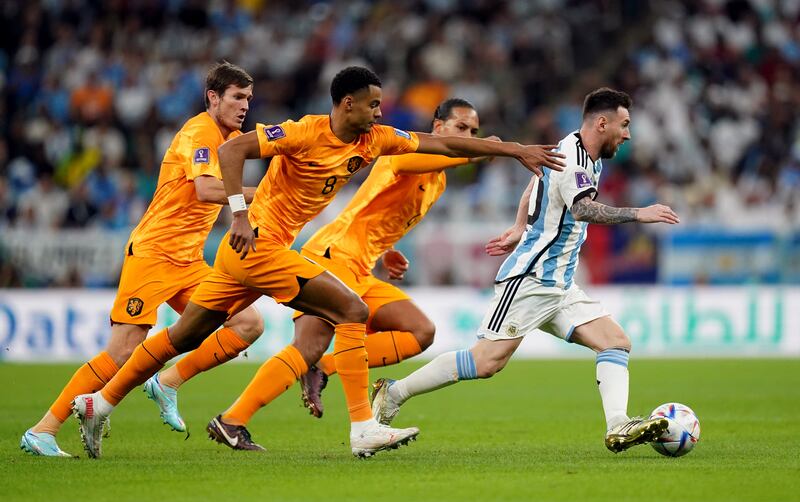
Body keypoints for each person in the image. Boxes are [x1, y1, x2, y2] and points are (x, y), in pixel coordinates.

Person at [71, 66, 566, 459]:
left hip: (250, 256)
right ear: (347, 103)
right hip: (258, 245)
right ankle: (362, 427)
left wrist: (514, 150)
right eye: (372, 104)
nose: (378, 112)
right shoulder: (303, 132)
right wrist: (239, 215)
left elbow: (442, 143)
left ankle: (100, 403)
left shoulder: (373, 141)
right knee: (349, 310)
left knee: (183, 336)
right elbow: (237, 149)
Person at [371, 87, 681, 454]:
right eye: (624, 124)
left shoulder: (580, 151)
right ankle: (393, 392)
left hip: (561, 284)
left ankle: (618, 425)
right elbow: (583, 210)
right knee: (485, 361)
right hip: (531, 279)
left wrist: (520, 225)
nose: (627, 134)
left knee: (615, 342)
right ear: (603, 122)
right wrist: (638, 213)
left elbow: (536, 179)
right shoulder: (575, 158)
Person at [20, 62, 264, 457]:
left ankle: (166, 382)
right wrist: (261, 195)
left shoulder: (230, 137)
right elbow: (204, 189)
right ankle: (43, 430)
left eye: (248, 98)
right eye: (237, 97)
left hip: (187, 261)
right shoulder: (200, 131)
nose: (244, 105)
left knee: (248, 322)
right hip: (154, 254)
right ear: (213, 97)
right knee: (122, 351)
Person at [292, 98, 487, 419]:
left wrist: (386, 249)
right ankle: (234, 417)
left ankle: (324, 368)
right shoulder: (406, 146)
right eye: (462, 128)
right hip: (333, 255)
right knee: (303, 350)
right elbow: (400, 166)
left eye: (474, 131)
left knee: (421, 331)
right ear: (438, 128)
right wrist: (480, 151)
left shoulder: (438, 181)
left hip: (363, 267)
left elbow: (376, 208)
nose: (469, 135)